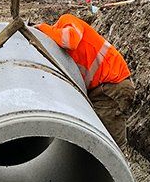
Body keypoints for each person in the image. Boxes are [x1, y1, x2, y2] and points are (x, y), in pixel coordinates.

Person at [36, 13, 134, 148]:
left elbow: (70, 40)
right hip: (102, 89)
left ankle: (117, 168)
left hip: (112, 87)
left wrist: (41, 28)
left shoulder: (66, 20)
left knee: (110, 144)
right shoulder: (59, 55)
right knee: (98, 140)